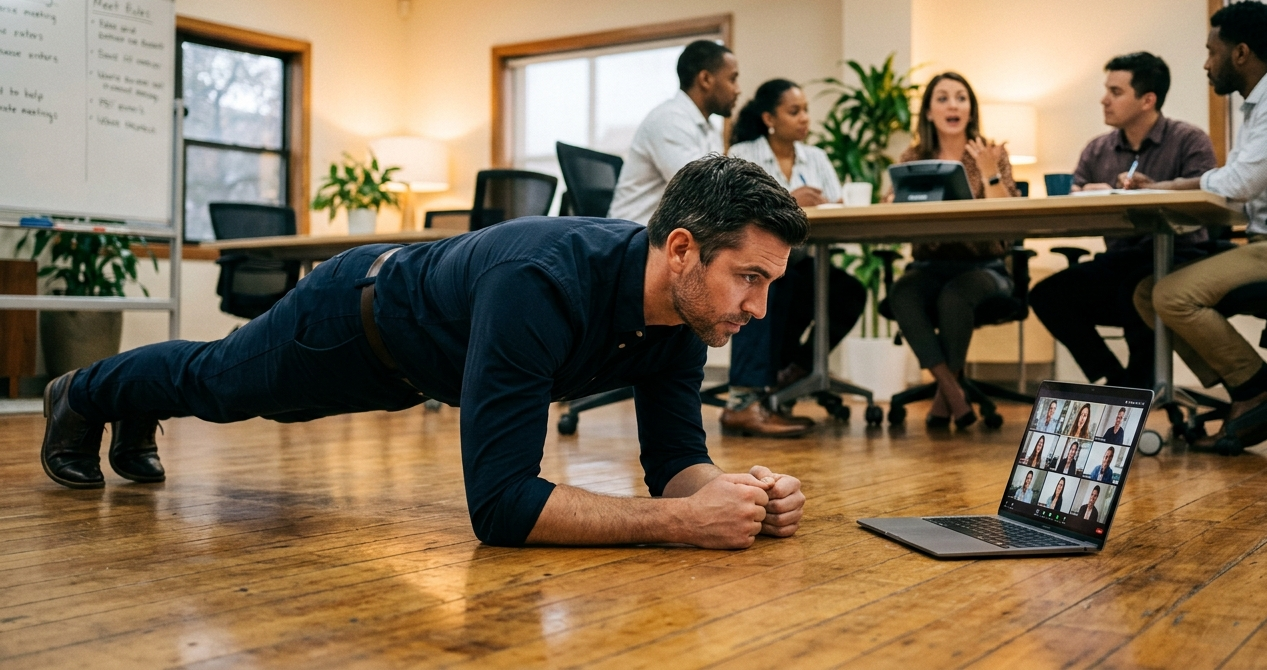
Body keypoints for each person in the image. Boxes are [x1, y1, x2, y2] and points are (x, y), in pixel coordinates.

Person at [41, 156, 810, 550]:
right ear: (681, 249)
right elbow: (501, 508)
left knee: (224, 388)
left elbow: (675, 457)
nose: (758, 308)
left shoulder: (683, 316)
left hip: (414, 367)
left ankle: (129, 409)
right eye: (749, 278)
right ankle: (82, 393)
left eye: (769, 284)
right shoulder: (538, 285)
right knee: (220, 384)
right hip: (352, 319)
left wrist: (734, 494)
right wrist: (679, 525)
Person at [1126, 0, 1267, 450]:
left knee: (1170, 294)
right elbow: (1237, 180)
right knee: (1147, 292)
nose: (1206, 63)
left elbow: (1240, 182)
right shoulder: (1264, 103)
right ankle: (1253, 389)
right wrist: (1171, 186)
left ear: (1240, 54)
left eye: (1212, 51)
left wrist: (1171, 187)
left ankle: (1258, 391)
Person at [1029, 52, 1217, 390]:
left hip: (1181, 258)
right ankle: (1116, 381)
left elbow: (1206, 198)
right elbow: (1071, 193)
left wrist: (1153, 191)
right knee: (1047, 294)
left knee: (1137, 288)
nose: (1104, 100)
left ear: (1148, 100)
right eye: (1107, 90)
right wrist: (1088, 192)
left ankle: (1137, 390)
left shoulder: (1189, 140)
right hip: (1119, 259)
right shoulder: (1097, 150)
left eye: (1115, 92)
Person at [723, 79, 867, 435]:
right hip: (759, 260)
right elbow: (731, 209)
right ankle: (743, 401)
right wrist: (789, 199)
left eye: (805, 110)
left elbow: (839, 205)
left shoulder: (815, 157)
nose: (804, 118)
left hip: (805, 260)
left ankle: (794, 371)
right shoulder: (744, 153)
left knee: (849, 292)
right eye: (794, 111)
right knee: (767, 284)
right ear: (770, 117)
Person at [885, 72, 1019, 429]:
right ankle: (951, 389)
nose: (953, 105)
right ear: (929, 112)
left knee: (955, 296)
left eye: (961, 97)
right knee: (903, 293)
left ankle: (947, 397)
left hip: (985, 266)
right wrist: (893, 201)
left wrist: (990, 172)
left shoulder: (991, 153)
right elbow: (901, 215)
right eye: (942, 98)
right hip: (929, 264)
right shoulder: (914, 157)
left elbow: (1007, 218)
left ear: (971, 110)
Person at [609, 40, 741, 225]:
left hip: (665, 236)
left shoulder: (708, 128)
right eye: (732, 79)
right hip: (633, 236)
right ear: (705, 79)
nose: (738, 90)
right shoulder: (669, 119)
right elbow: (702, 192)